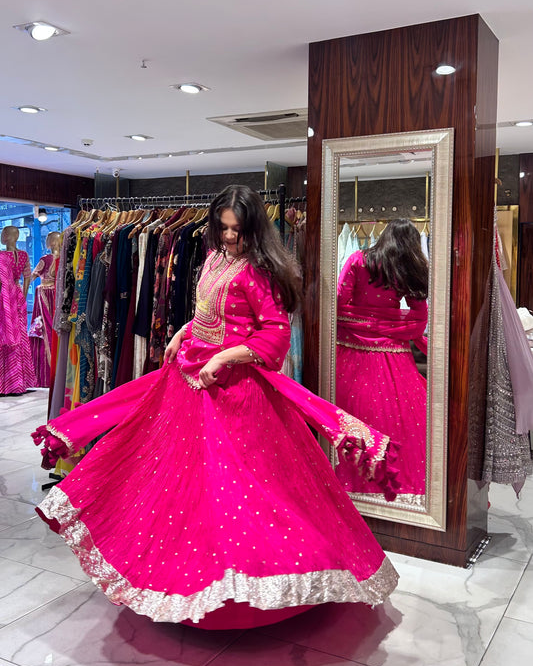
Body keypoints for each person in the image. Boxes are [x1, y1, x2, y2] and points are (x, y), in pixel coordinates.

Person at [33, 186, 399, 629]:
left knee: (239, 491)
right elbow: (208, 313)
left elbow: (275, 335)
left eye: (237, 231)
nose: (229, 238)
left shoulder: (259, 272)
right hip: (188, 381)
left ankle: (246, 583)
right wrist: (182, 331)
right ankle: (184, 572)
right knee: (173, 481)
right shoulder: (212, 258)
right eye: (222, 228)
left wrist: (226, 357)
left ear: (254, 230)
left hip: (234, 394)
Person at [336, 218, 429, 500]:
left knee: (355, 417)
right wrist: (390, 325)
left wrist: (365, 321)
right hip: (393, 353)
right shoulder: (406, 269)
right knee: (402, 421)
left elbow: (340, 303)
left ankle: (355, 485)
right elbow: (419, 315)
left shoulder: (358, 260)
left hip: (351, 349)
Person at [0, 225, 36, 394]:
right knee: (20, 336)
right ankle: (19, 382)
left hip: (4, 299)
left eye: (2, 234)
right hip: (17, 295)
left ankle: (6, 383)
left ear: (7, 236)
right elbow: (27, 277)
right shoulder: (23, 255)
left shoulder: (1, 256)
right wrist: (21, 292)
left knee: (4, 334)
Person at [29, 231, 61, 387]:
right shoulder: (62, 259)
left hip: (44, 295)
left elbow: (32, 276)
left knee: (43, 331)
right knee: (55, 330)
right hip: (58, 294)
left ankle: (45, 373)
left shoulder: (45, 259)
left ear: (51, 242)